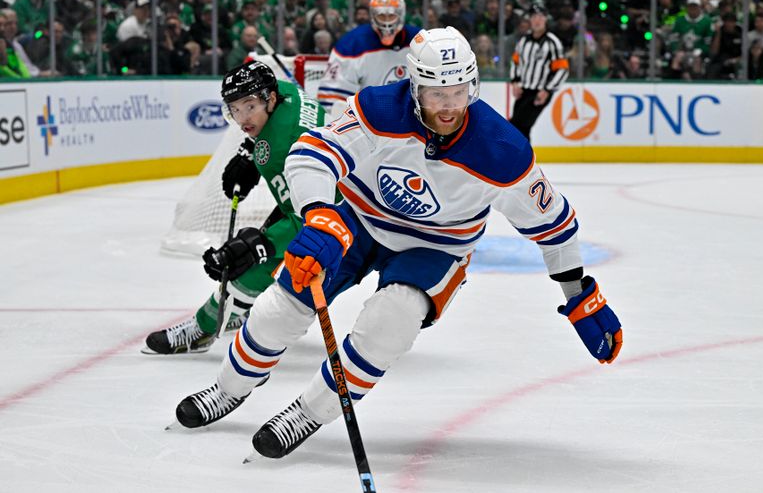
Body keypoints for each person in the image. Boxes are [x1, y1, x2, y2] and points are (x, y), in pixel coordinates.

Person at [172, 27, 623, 461]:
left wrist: (579, 296)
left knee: (392, 320)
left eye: (458, 92)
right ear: (414, 87)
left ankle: (308, 413)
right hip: (360, 218)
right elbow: (312, 154)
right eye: (436, 94)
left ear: (474, 86)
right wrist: (320, 215)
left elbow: (555, 226)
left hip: (437, 246)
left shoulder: (503, 151)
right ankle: (228, 389)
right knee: (282, 305)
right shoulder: (378, 108)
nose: (448, 107)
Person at [143, 60, 326, 354]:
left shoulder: (288, 150)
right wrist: (249, 152)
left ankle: (201, 330)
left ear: (270, 99)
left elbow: (313, 221)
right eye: (235, 109)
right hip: (336, 201)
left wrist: (263, 244)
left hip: (345, 225)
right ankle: (245, 309)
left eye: (249, 106)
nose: (243, 119)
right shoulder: (287, 93)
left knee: (252, 267)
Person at [316, 0, 421, 118]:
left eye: (391, 16)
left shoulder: (419, 41)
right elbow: (331, 98)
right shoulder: (352, 45)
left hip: (413, 119)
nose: (387, 23)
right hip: (369, 123)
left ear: (401, 15)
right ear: (373, 16)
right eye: (382, 16)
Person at [509, 2, 569, 142]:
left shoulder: (552, 42)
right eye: (534, 16)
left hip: (540, 92)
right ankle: (523, 160)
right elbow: (516, 62)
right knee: (521, 128)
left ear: (546, 19)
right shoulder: (524, 41)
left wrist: (547, 90)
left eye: (540, 16)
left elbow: (562, 69)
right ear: (529, 19)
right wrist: (515, 82)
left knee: (518, 125)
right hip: (524, 90)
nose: (537, 20)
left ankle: (521, 160)